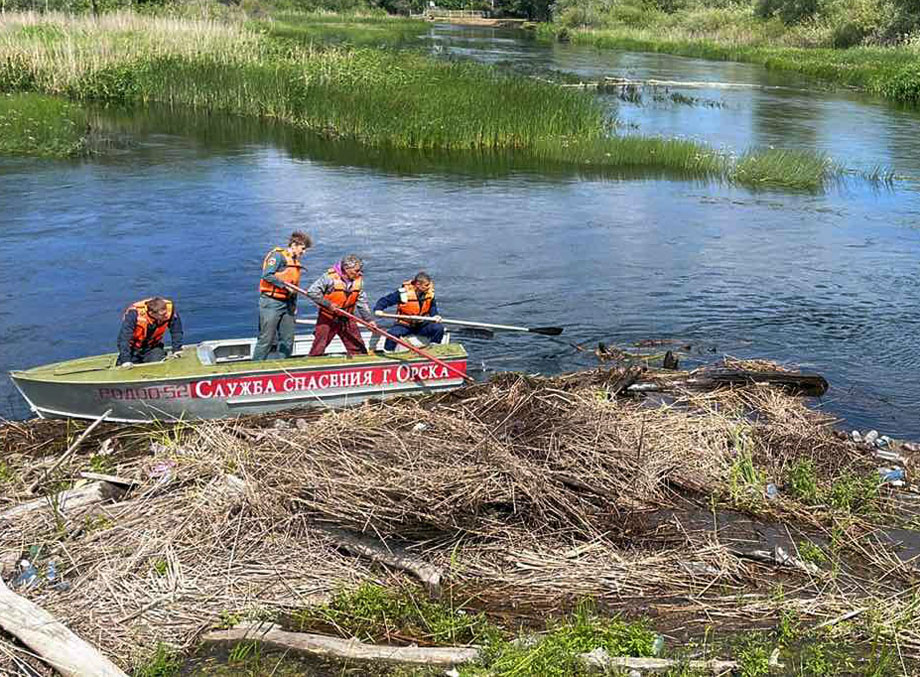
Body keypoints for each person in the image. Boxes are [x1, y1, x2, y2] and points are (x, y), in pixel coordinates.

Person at [253, 231, 312, 361]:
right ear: (294, 245)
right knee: (266, 338)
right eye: (303, 249)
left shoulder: (295, 262)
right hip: (271, 302)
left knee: (287, 339)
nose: (304, 252)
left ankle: (283, 363)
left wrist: (293, 305)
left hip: (288, 304)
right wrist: (285, 286)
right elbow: (267, 275)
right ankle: (255, 367)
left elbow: (294, 285)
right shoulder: (277, 257)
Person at [306, 255, 378, 356]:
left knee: (358, 347)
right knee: (319, 347)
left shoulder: (358, 281)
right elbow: (312, 292)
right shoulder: (328, 278)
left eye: (360, 270)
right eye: (356, 270)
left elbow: (362, 303)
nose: (359, 273)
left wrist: (369, 320)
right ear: (346, 269)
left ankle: (360, 365)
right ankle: (313, 366)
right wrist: (328, 304)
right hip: (328, 317)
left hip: (347, 317)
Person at [373, 272, 444, 351]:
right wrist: (378, 309)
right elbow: (385, 300)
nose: (428, 287)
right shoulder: (403, 293)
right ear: (418, 284)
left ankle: (434, 348)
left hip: (421, 324)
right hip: (405, 325)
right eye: (426, 285)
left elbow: (432, 307)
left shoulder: (429, 294)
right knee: (392, 334)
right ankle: (388, 351)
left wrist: (435, 315)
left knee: (438, 328)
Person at [117, 297, 183, 366]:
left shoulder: (169, 311)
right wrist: (125, 360)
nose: (166, 316)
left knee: (157, 362)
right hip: (133, 348)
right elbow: (124, 338)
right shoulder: (134, 314)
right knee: (124, 366)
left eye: (165, 313)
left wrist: (177, 349)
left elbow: (176, 331)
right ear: (151, 313)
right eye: (162, 315)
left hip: (152, 347)